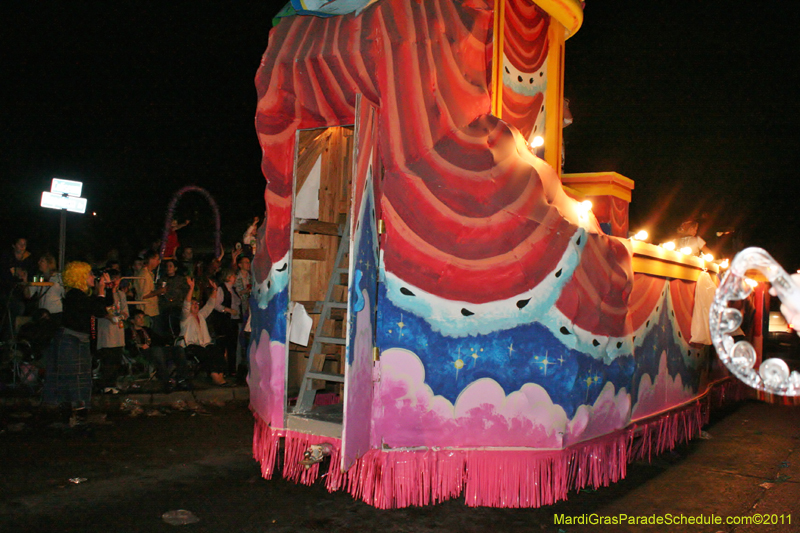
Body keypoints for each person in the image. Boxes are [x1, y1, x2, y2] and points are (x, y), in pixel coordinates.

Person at [41, 261, 113, 421]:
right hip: (70, 339)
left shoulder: (82, 295)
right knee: (72, 377)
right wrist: (100, 291)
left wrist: (107, 288)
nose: (93, 277)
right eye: (89, 274)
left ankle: (79, 412)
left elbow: (105, 305)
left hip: (79, 339)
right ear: (79, 277)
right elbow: (98, 308)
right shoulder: (74, 294)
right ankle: (70, 412)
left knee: (81, 377)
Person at [178, 276, 227, 386]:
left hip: (204, 344)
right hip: (190, 345)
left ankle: (220, 375)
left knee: (217, 351)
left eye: (197, 304)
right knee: (206, 354)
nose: (195, 306)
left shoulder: (201, 315)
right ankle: (215, 377)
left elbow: (210, 305)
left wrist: (215, 290)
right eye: (193, 304)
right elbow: (186, 304)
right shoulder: (185, 317)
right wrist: (191, 288)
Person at [126, 309, 189, 392]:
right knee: (157, 351)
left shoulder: (147, 330)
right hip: (142, 352)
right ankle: (166, 380)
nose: (142, 320)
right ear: (132, 320)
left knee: (178, 349)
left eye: (143, 318)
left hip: (156, 351)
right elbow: (128, 345)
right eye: (139, 318)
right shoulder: (128, 332)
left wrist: (168, 342)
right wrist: (139, 345)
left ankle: (182, 379)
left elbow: (159, 339)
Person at [95, 269, 128, 390]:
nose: (116, 282)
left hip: (118, 332)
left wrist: (122, 316)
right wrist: (110, 317)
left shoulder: (121, 294)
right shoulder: (102, 293)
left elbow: (125, 311)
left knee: (116, 360)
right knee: (108, 360)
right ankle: (106, 385)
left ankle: (113, 384)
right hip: (106, 332)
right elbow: (101, 311)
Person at [211, 268, 241, 377]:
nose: (235, 278)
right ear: (228, 277)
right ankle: (220, 370)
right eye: (233, 276)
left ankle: (232, 370)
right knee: (222, 344)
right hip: (224, 321)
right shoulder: (221, 289)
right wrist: (228, 310)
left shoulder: (233, 289)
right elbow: (216, 305)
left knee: (232, 345)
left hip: (233, 320)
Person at [24, 252, 65, 326]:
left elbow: (65, 293)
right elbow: (28, 295)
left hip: (55, 313)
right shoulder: (38, 277)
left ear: (49, 264)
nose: (39, 263)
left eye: (42, 261)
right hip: (42, 313)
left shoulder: (59, 277)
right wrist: (25, 281)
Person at [156, 259, 189, 337]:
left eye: (171, 266)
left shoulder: (181, 280)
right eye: (167, 266)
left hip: (177, 306)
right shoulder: (162, 280)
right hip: (165, 307)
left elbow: (185, 292)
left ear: (175, 268)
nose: (168, 268)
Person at [133, 250, 164, 330]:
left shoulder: (149, 273)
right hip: (147, 311)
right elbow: (145, 294)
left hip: (151, 310)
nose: (158, 262)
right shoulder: (145, 274)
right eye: (157, 259)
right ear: (151, 259)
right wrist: (159, 291)